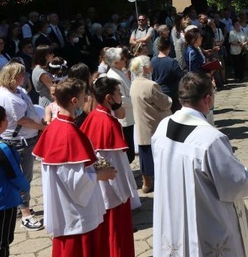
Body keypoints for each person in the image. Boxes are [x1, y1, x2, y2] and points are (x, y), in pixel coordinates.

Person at [152, 72, 248, 256]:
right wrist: (245, 173)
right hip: (207, 222)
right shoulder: (211, 139)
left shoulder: (162, 127)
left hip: (172, 216)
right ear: (208, 99)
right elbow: (237, 185)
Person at [33, 78, 117, 255]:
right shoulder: (67, 133)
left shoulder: (55, 126)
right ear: (74, 101)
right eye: (83, 96)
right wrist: (100, 175)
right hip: (76, 214)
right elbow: (74, 182)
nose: (87, 98)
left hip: (67, 209)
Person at [79, 77, 137, 257]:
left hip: (98, 189)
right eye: (118, 93)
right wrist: (125, 193)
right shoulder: (107, 122)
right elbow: (113, 164)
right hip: (113, 193)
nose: (120, 96)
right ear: (108, 98)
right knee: (116, 235)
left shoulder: (94, 117)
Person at [0, 62, 45, 231]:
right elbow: (22, 120)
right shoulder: (6, 96)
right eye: (21, 75)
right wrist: (43, 127)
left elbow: (30, 111)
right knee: (23, 178)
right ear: (12, 77)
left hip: (27, 140)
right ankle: (26, 215)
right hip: (18, 143)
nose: (24, 77)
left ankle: (21, 207)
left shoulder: (20, 91)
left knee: (25, 177)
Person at [129, 56, 172, 193]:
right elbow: (164, 103)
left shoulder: (134, 84)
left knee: (145, 156)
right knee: (158, 157)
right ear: (145, 68)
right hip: (155, 125)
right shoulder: (151, 85)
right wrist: (170, 99)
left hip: (142, 125)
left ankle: (146, 182)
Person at [0, 105, 31, 254]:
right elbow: (16, 175)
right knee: (2, 242)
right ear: (1, 123)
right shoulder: (2, 148)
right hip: (3, 202)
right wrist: (25, 188)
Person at [105, 47, 136, 164]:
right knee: (128, 152)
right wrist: (135, 100)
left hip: (128, 116)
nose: (125, 60)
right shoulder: (113, 76)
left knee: (130, 150)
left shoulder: (120, 71)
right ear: (115, 62)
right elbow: (120, 99)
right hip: (123, 117)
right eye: (122, 59)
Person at [151, 36, 183, 112]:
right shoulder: (172, 62)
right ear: (169, 47)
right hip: (173, 94)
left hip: (159, 93)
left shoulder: (153, 61)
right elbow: (181, 76)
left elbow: (152, 76)